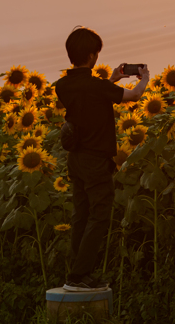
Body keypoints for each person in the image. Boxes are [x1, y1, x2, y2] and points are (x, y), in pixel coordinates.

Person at [54, 26, 149, 292]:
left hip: (76, 159)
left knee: (80, 215)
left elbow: (89, 96)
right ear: (93, 55)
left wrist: (113, 79)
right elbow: (135, 95)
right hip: (96, 161)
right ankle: (80, 274)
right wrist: (144, 78)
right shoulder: (94, 86)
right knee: (99, 216)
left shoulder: (63, 85)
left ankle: (75, 275)